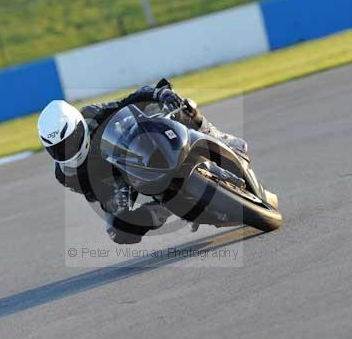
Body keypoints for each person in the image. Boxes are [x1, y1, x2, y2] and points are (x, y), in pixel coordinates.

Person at [37, 79, 248, 244]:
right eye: (56, 149)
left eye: (69, 141)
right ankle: (168, 208)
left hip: (135, 146)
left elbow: (130, 100)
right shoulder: (66, 175)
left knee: (178, 105)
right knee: (119, 231)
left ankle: (218, 137)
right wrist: (115, 200)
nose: (65, 150)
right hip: (121, 180)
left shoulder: (92, 115)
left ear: (78, 125)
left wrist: (161, 94)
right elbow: (98, 195)